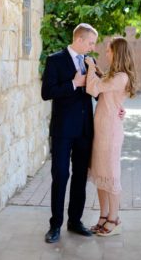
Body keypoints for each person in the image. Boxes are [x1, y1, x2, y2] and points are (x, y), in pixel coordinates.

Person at [40, 23, 99, 243]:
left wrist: (114, 105)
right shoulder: (55, 60)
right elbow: (47, 93)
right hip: (63, 130)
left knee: (80, 177)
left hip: (84, 130)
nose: (93, 47)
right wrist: (73, 84)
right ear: (80, 40)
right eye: (91, 42)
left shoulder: (90, 61)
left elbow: (97, 92)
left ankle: (75, 221)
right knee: (61, 176)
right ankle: (55, 225)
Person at [83, 37, 138, 237]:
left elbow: (92, 88)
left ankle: (114, 219)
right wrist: (96, 71)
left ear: (118, 53)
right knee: (101, 174)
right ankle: (103, 216)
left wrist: (90, 66)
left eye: (109, 50)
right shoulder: (112, 75)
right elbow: (106, 92)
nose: (106, 53)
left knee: (111, 175)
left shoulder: (120, 77)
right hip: (102, 130)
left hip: (111, 132)